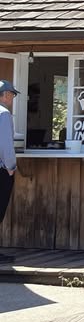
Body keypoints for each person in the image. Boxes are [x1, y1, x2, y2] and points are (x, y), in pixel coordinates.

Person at [0, 80, 18, 263]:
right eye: (12, 94)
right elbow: (5, 145)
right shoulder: (4, 114)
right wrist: (11, 167)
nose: (12, 97)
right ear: (5, 94)